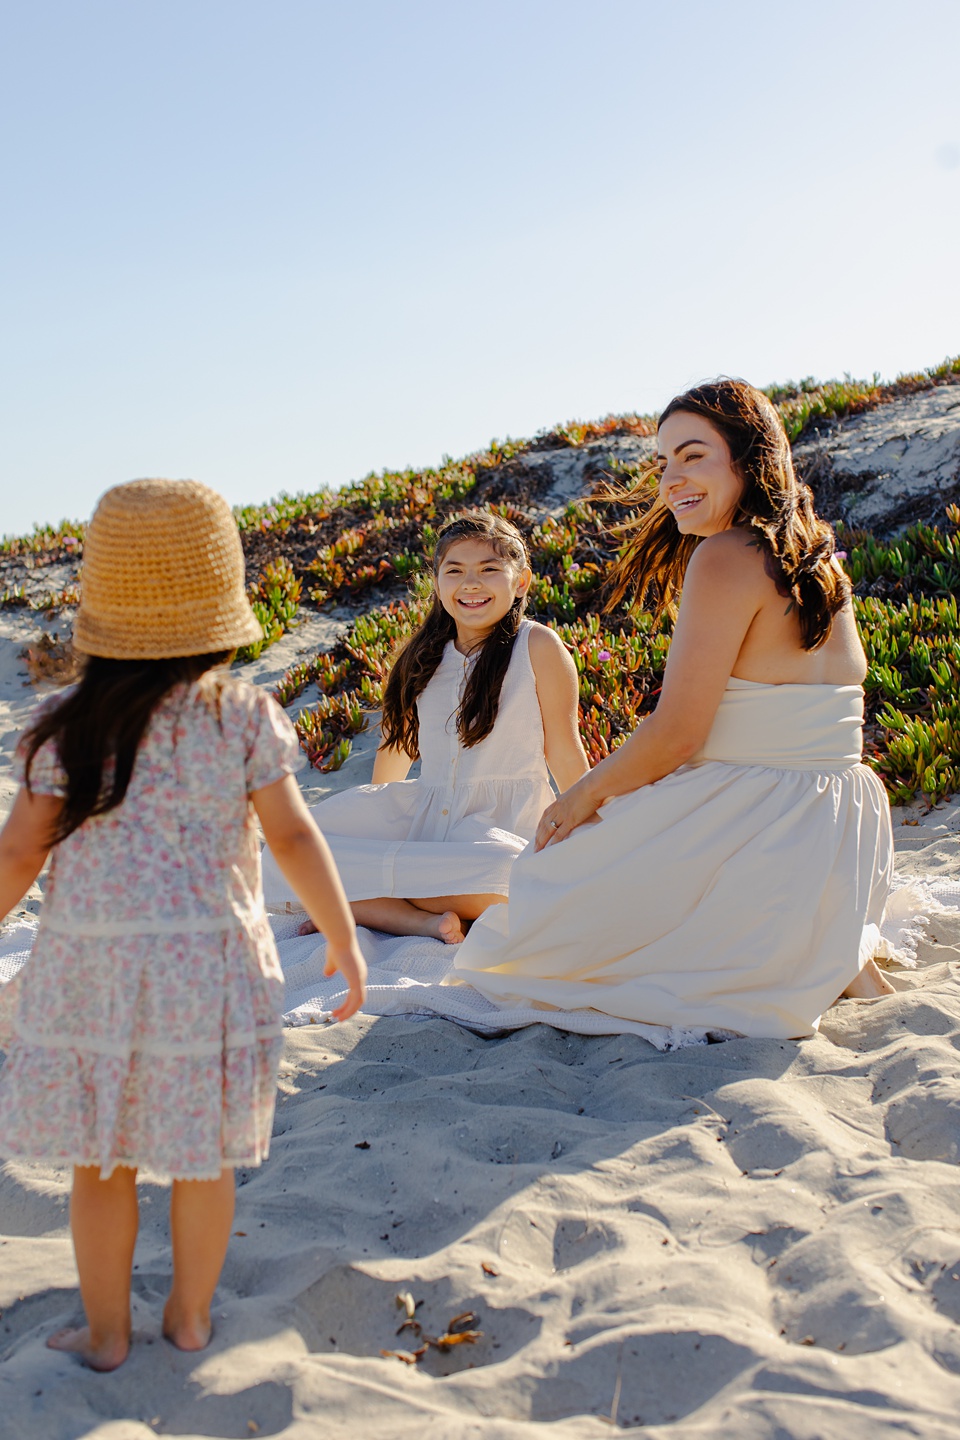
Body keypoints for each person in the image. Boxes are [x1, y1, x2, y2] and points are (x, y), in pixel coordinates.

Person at [0, 479, 366, 1371]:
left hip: (93, 974)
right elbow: (292, 833)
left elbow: (18, 858)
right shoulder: (241, 716)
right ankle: (192, 1316)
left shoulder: (62, 730)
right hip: (210, 974)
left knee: (103, 1163)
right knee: (202, 1163)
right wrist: (343, 937)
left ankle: (106, 1330)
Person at [450, 380, 895, 1039]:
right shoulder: (815, 554)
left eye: (692, 456)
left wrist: (581, 799)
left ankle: (799, 954)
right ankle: (822, 948)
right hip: (841, 822)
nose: (671, 480)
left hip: (762, 820)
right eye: (664, 462)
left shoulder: (724, 556)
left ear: (750, 460)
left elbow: (680, 733)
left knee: (537, 900)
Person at [263, 511, 588, 943]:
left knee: (509, 877)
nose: (471, 584)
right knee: (282, 858)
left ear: (522, 581)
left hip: (503, 831)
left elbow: (565, 751)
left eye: (489, 570)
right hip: (426, 827)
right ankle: (417, 919)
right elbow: (396, 751)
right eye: (455, 571)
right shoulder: (423, 657)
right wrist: (377, 821)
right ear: (437, 583)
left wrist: (595, 835)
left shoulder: (537, 646)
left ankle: (361, 905)